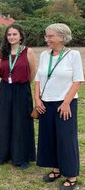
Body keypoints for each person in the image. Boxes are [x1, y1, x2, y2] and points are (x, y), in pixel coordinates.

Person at [35, 23, 83, 190]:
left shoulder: (73, 55)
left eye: (50, 36)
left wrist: (66, 103)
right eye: (46, 36)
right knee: (49, 137)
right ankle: (56, 169)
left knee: (66, 139)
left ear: (62, 37)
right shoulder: (44, 55)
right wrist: (37, 100)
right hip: (45, 103)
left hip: (65, 104)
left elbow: (78, 81)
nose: (46, 39)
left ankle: (71, 175)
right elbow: (38, 79)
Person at [0, 24, 36, 169]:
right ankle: (4, 155)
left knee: (21, 122)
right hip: (6, 88)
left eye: (14, 34)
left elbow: (32, 72)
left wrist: (22, 83)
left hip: (21, 89)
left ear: (20, 36)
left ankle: (22, 157)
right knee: (5, 121)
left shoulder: (28, 51)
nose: (11, 37)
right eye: (9, 34)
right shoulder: (2, 52)